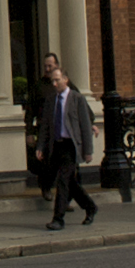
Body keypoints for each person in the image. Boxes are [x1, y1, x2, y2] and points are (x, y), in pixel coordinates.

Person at [40, 53, 98, 229]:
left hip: (70, 146)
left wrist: (88, 151)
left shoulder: (76, 99)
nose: (55, 84)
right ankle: (90, 207)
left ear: (65, 79)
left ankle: (58, 218)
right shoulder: (51, 100)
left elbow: (85, 126)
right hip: (56, 145)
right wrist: (41, 145)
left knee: (63, 182)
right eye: (52, 81)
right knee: (70, 183)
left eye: (57, 80)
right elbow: (45, 125)